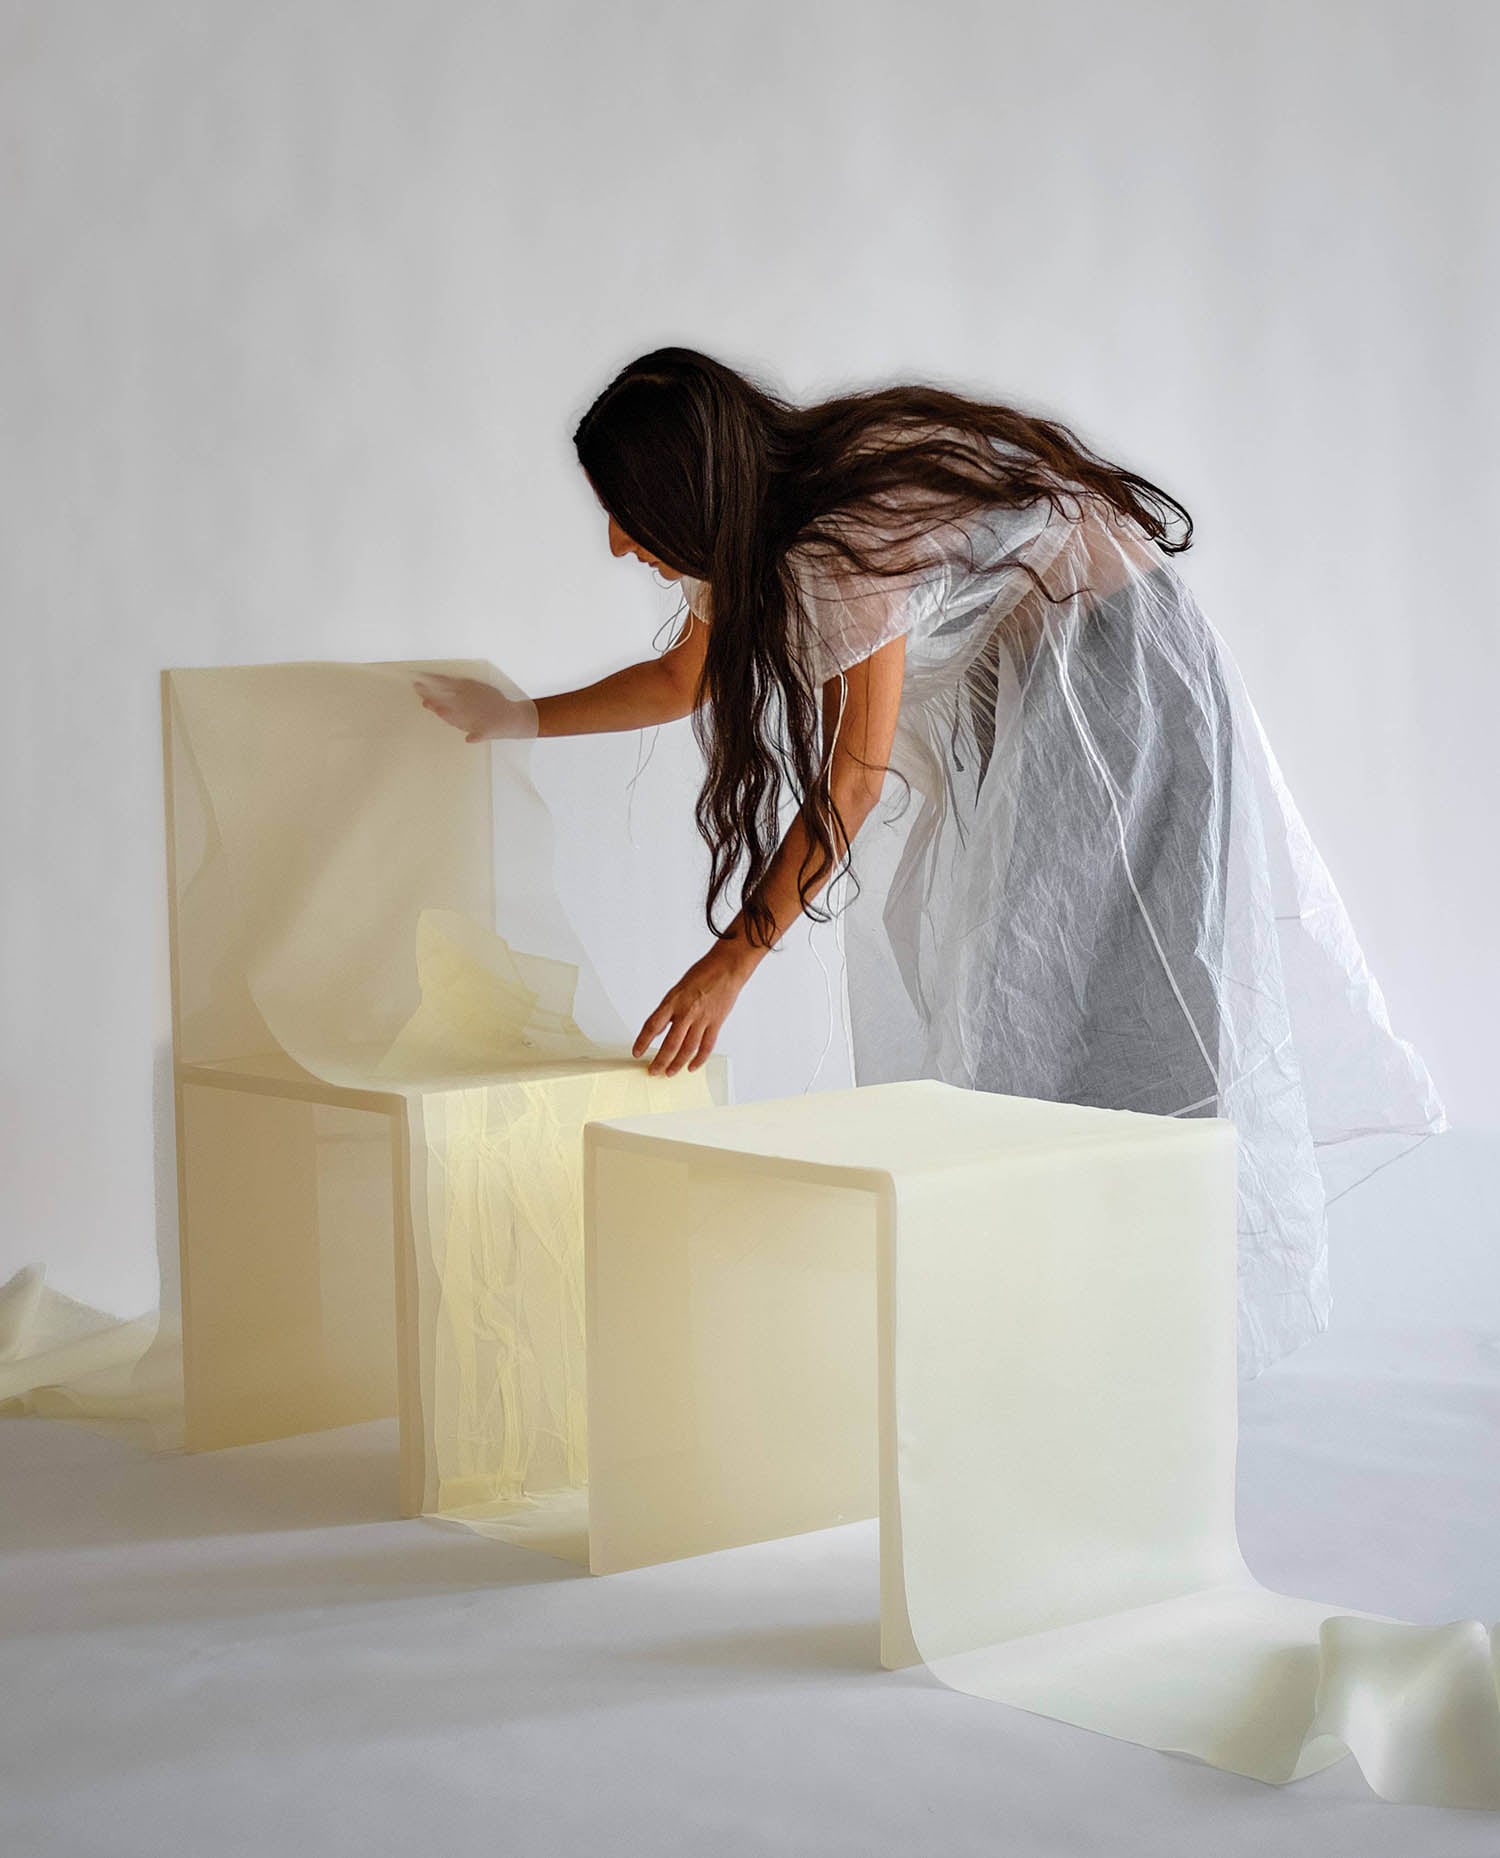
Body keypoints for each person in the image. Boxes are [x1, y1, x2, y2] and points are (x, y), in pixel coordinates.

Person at [414, 346, 1445, 1377]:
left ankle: (1128, 1318)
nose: (615, 539)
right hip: (1043, 679)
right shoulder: (771, 520)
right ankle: (1056, 1309)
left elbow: (849, 788)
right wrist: (515, 716)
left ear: (689, 493)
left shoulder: (838, 540)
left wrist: (730, 962)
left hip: (1117, 675)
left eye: (627, 511)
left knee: (1079, 989)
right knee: (1005, 985)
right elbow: (683, 677)